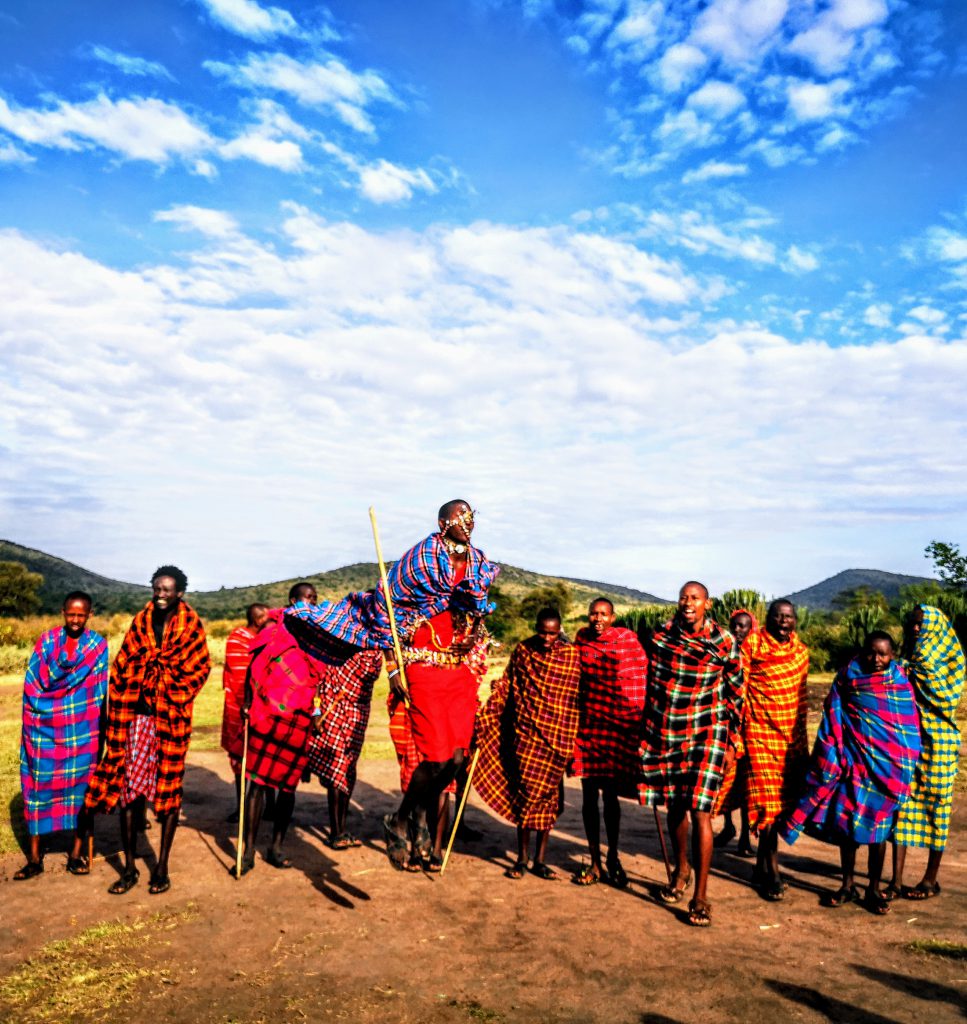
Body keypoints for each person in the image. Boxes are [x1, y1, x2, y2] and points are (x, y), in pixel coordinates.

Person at [287, 500, 499, 872]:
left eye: (472, 516)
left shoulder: (478, 560)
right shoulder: (421, 558)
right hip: (422, 663)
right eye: (460, 516)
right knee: (434, 758)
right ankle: (402, 819)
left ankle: (406, 818)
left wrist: (473, 635)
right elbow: (387, 608)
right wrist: (392, 669)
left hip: (458, 668)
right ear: (442, 522)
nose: (468, 522)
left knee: (457, 759)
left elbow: (477, 612)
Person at [82, 566, 211, 895]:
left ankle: (162, 867)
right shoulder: (141, 621)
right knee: (128, 791)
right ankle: (128, 870)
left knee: (167, 794)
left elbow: (200, 667)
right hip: (135, 717)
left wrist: (169, 686)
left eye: (168, 589)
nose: (161, 594)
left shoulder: (191, 624)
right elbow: (124, 662)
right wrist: (137, 679)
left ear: (180, 592)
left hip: (170, 719)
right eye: (157, 588)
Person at [780, 631, 920, 914]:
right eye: (871, 652)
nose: (876, 659)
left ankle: (872, 889)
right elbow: (832, 713)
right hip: (852, 762)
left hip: (887, 768)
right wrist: (833, 753)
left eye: (883, 653)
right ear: (862, 651)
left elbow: (907, 727)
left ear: (893, 655)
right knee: (848, 826)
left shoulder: (899, 683)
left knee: (879, 831)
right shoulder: (849, 676)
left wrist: (901, 763)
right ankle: (847, 884)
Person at [639, 581, 743, 927]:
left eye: (694, 598)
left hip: (708, 731)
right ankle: (681, 869)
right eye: (683, 597)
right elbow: (652, 684)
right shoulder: (662, 638)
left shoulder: (724, 642)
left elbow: (736, 692)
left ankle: (700, 896)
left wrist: (731, 740)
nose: (688, 603)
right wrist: (648, 732)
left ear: (706, 604)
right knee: (676, 806)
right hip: (668, 731)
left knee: (701, 811)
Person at [474, 607, 582, 880]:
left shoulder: (570, 656)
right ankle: (521, 859)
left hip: (557, 739)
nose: (547, 638)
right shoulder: (523, 651)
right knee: (525, 796)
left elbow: (573, 697)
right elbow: (510, 684)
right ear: (536, 628)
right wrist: (492, 705)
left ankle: (540, 860)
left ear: (560, 631)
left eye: (553, 633)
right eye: (543, 632)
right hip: (526, 736)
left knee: (548, 800)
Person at [15, 592, 109, 880]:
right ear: (63, 612)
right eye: (71, 614)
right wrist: (42, 714)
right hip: (43, 729)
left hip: (81, 731)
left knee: (82, 791)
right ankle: (34, 859)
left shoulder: (97, 646)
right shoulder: (47, 642)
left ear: (90, 614)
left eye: (81, 615)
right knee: (37, 789)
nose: (76, 620)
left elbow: (97, 692)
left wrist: (99, 729)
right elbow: (32, 685)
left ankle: (76, 854)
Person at [235, 582, 320, 874]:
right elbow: (253, 668)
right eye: (304, 598)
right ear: (291, 602)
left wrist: (318, 711)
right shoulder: (272, 630)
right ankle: (247, 849)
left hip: (300, 717)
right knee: (256, 784)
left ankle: (276, 846)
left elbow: (318, 677)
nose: (310, 602)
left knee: (288, 787)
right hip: (267, 713)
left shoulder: (316, 634)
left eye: (314, 598)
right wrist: (247, 702)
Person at [887, 604, 966, 900]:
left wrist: (913, 670)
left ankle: (930, 879)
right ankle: (895, 880)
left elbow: (945, 697)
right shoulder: (909, 659)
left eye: (921, 624)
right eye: (913, 623)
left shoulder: (950, 660)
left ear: (934, 627)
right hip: (908, 739)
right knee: (901, 804)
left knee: (937, 807)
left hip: (941, 742)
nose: (915, 628)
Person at [569, 598, 649, 888]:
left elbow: (639, 679)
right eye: (593, 613)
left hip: (616, 727)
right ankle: (593, 862)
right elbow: (572, 678)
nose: (597, 618)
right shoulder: (580, 641)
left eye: (603, 614)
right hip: (589, 726)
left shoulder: (627, 642)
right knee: (589, 796)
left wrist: (636, 720)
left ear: (613, 617)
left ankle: (613, 856)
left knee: (611, 797)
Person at [741, 599, 810, 901]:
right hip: (757, 732)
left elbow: (802, 700)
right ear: (767, 618)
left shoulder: (800, 653)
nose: (783, 622)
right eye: (777, 616)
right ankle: (774, 873)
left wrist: (800, 742)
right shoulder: (752, 645)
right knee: (766, 805)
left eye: (789, 617)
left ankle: (759, 867)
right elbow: (738, 687)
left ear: (795, 621)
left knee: (780, 804)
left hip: (789, 738)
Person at [303, 645, 383, 849]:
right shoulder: (338, 639)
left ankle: (341, 826)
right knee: (337, 765)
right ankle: (336, 831)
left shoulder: (375, 647)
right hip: (334, 706)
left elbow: (371, 675)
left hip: (359, 709)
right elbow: (319, 676)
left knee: (349, 767)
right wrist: (317, 710)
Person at [713, 609, 758, 858]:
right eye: (735, 626)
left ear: (751, 629)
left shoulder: (756, 656)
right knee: (725, 779)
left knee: (744, 785)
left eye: (743, 627)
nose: (739, 630)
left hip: (751, 727)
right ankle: (728, 825)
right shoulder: (724, 652)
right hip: (729, 723)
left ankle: (744, 838)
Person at [221, 603, 269, 822]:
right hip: (239, 706)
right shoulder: (237, 639)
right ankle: (242, 808)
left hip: (265, 707)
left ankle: (269, 807)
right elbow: (239, 675)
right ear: (258, 619)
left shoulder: (269, 637)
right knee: (240, 758)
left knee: (266, 757)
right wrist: (249, 703)